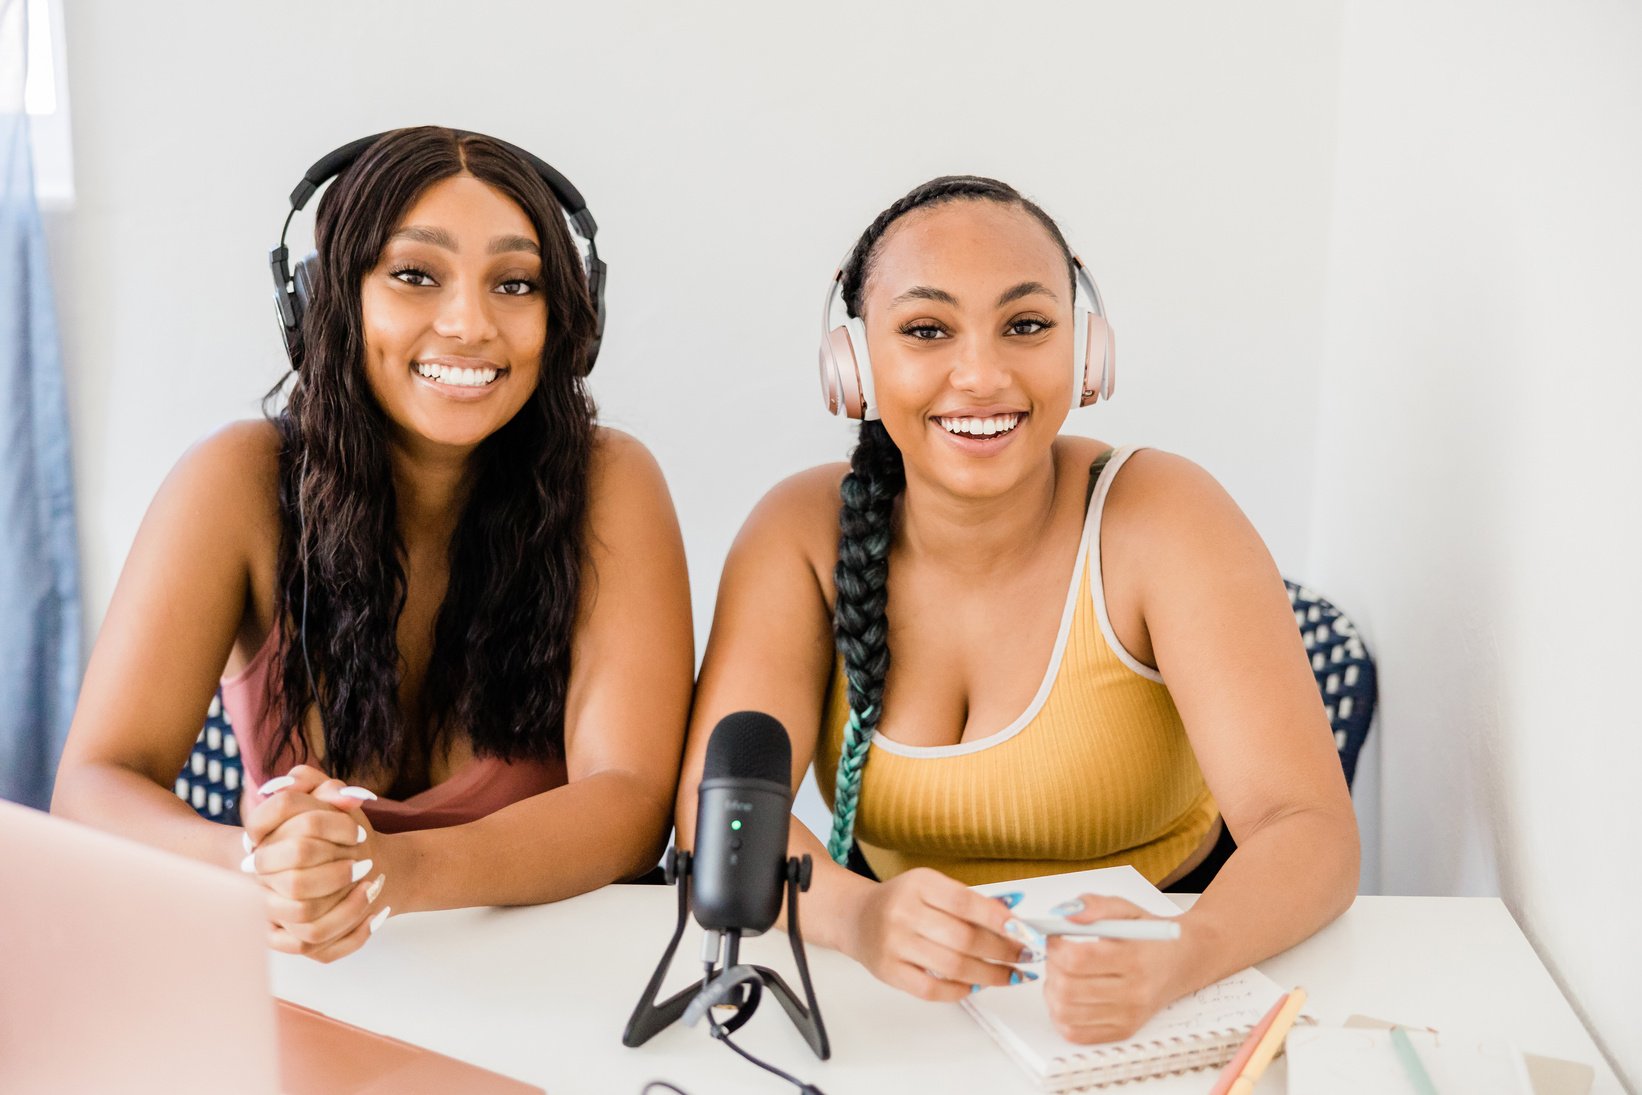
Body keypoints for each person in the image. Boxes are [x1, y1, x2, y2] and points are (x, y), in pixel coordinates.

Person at [676, 176, 1358, 1043]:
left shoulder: (1164, 515)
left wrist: (1182, 950)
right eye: (926, 330)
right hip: (897, 996)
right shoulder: (798, 533)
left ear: (1086, 348)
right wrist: (858, 919)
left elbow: (1310, 829)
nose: (983, 374)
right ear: (853, 365)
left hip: (1168, 979)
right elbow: (720, 815)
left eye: (1027, 325)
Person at [53, 127, 693, 963]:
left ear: (566, 318)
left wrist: (390, 869)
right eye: (415, 274)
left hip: (551, 982)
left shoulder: (611, 481)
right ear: (329, 300)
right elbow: (93, 786)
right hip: (316, 980)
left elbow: (633, 804)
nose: (468, 322)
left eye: (515, 282)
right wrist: (262, 867)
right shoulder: (236, 480)